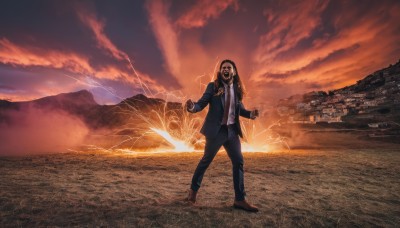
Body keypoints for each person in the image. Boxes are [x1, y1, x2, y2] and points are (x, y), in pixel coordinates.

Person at [185, 59, 259, 212]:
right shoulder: (213, 86)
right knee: (206, 161)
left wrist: (250, 114)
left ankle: (240, 199)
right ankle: (192, 192)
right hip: (216, 132)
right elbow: (202, 103)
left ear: (234, 72)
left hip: (232, 131)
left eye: (229, 67)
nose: (226, 69)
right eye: (223, 67)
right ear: (221, 71)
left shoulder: (237, 89)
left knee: (238, 162)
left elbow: (239, 109)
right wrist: (193, 107)